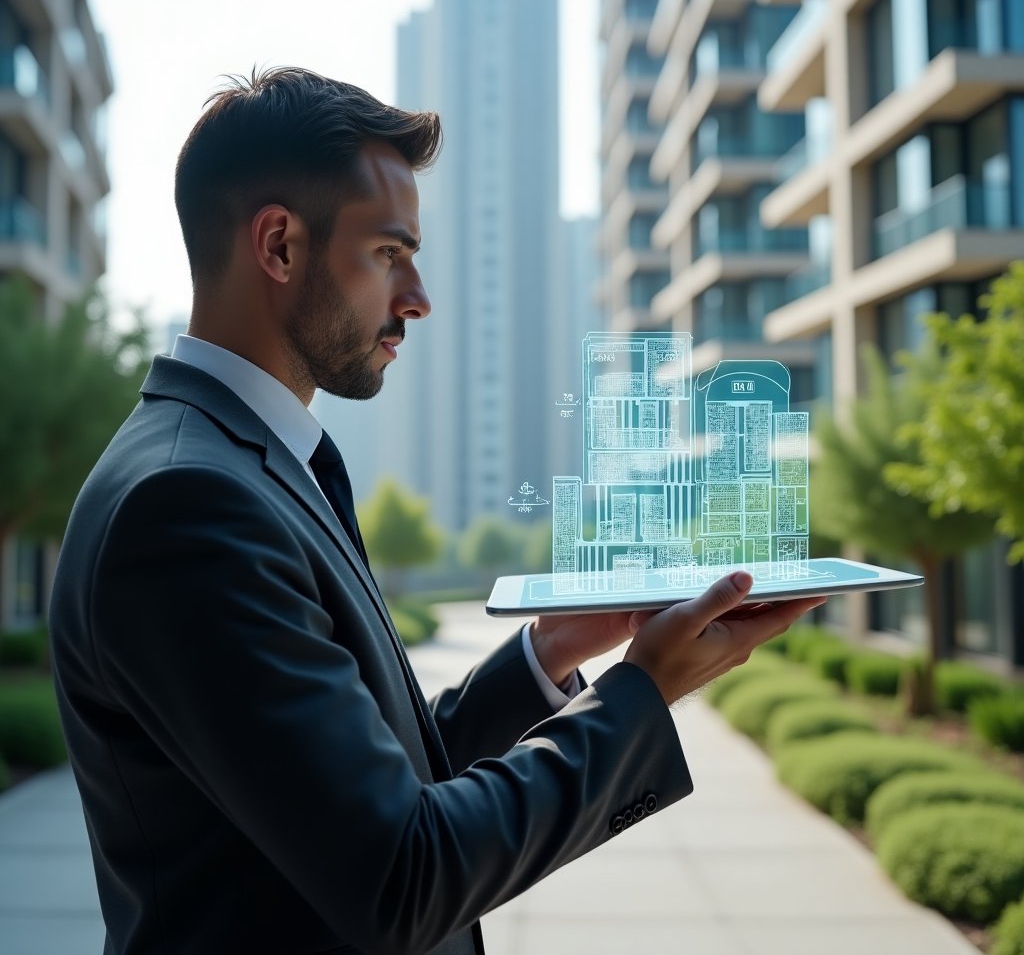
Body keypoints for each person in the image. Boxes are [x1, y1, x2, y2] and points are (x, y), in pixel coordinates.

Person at [50, 67, 824, 955]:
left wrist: (550, 654)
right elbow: (401, 876)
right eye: (388, 254)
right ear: (279, 246)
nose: (417, 298)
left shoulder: (239, 469)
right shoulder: (185, 507)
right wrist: (644, 692)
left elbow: (372, 790)